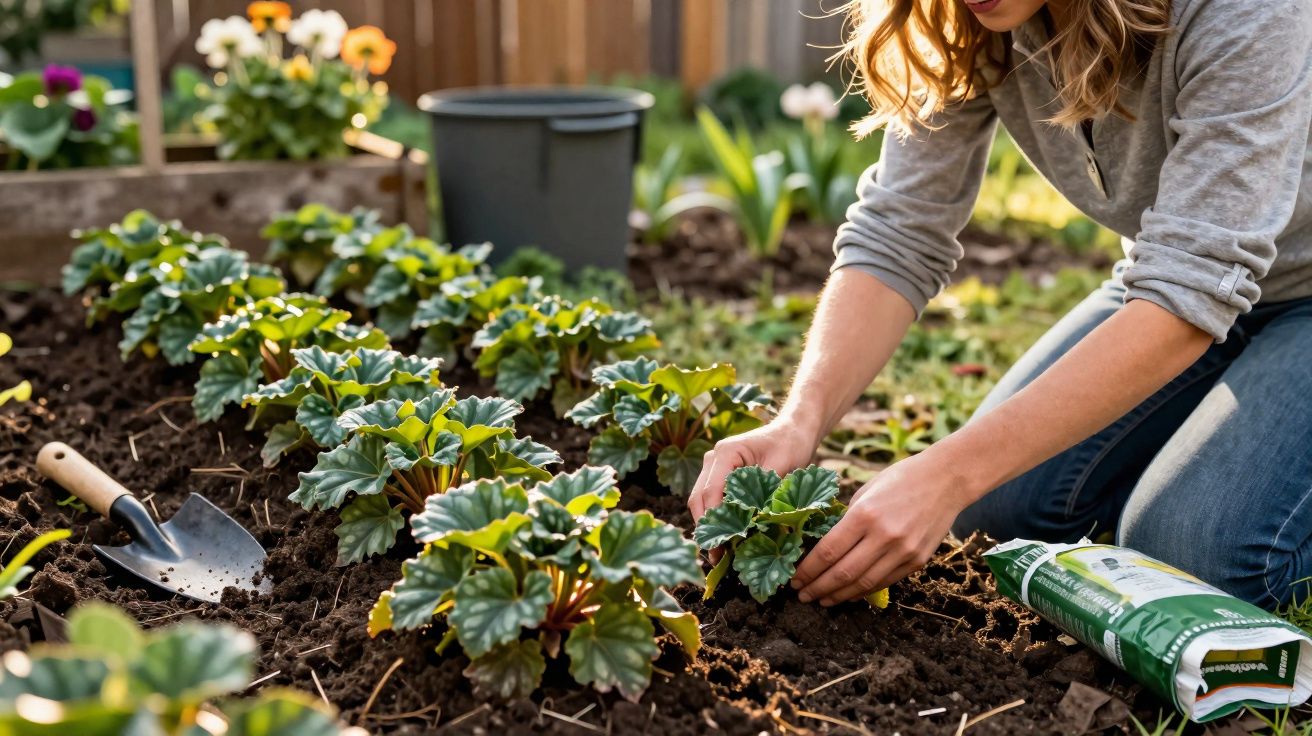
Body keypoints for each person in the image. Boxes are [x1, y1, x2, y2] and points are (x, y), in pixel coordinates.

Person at [688, 0, 1312, 611]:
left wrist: (946, 473)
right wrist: (800, 420)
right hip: (1178, 286)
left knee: (1202, 556)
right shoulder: (961, 16)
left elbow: (1191, 291)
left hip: (1265, 291)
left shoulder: (1244, 10)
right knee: (999, 510)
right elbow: (900, 230)